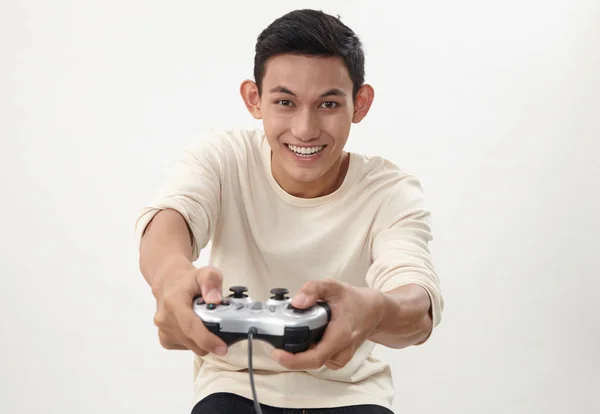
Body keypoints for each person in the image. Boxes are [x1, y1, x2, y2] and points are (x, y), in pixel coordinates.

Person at [135, 8, 443, 414]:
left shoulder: (390, 190)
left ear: (361, 103)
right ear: (254, 99)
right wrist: (172, 278)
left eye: (328, 104)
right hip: (233, 386)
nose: (304, 129)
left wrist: (374, 311)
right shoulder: (223, 157)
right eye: (285, 101)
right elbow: (171, 218)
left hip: (351, 393)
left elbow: (417, 301)